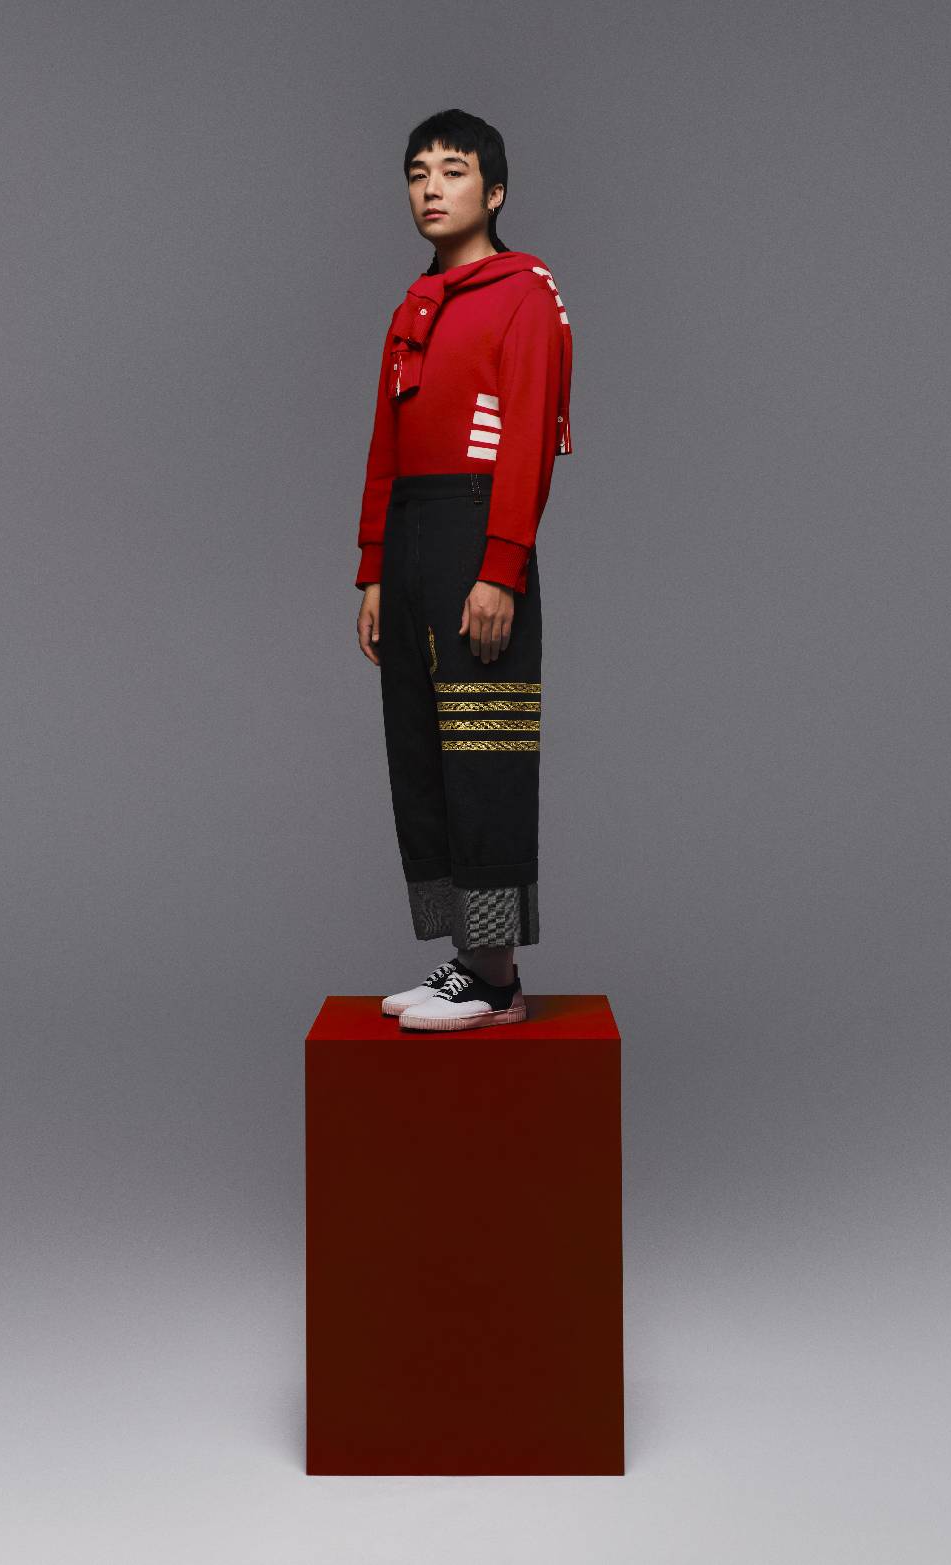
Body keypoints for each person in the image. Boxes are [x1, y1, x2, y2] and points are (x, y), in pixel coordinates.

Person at [352, 109, 574, 1033]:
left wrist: (501, 567)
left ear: (496, 191)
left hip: (479, 529)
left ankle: (497, 978)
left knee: (484, 748)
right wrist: (373, 568)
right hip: (411, 535)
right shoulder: (413, 305)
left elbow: (527, 437)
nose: (431, 188)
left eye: (452, 170)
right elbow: (385, 445)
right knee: (422, 748)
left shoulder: (525, 294)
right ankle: (466, 962)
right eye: (417, 173)